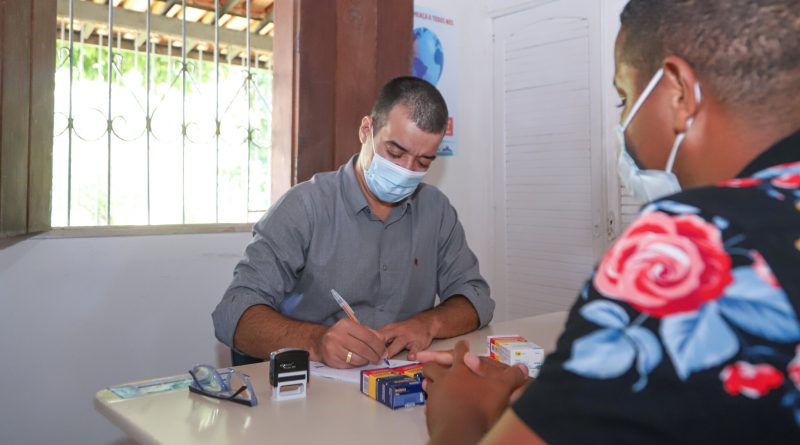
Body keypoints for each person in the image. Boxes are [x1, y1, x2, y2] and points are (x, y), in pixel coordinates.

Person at [419, 0, 800, 443]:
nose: (622, 122)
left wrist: (459, 412)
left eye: (625, 97)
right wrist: (568, 396)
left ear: (679, 92)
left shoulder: (689, 246)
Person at [212, 76, 494, 369]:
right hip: (311, 387)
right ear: (366, 130)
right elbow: (232, 313)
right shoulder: (305, 207)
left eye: (423, 162)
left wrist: (429, 323)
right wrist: (316, 342)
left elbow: (476, 299)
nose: (406, 171)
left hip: (398, 381)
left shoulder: (436, 211)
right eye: (395, 152)